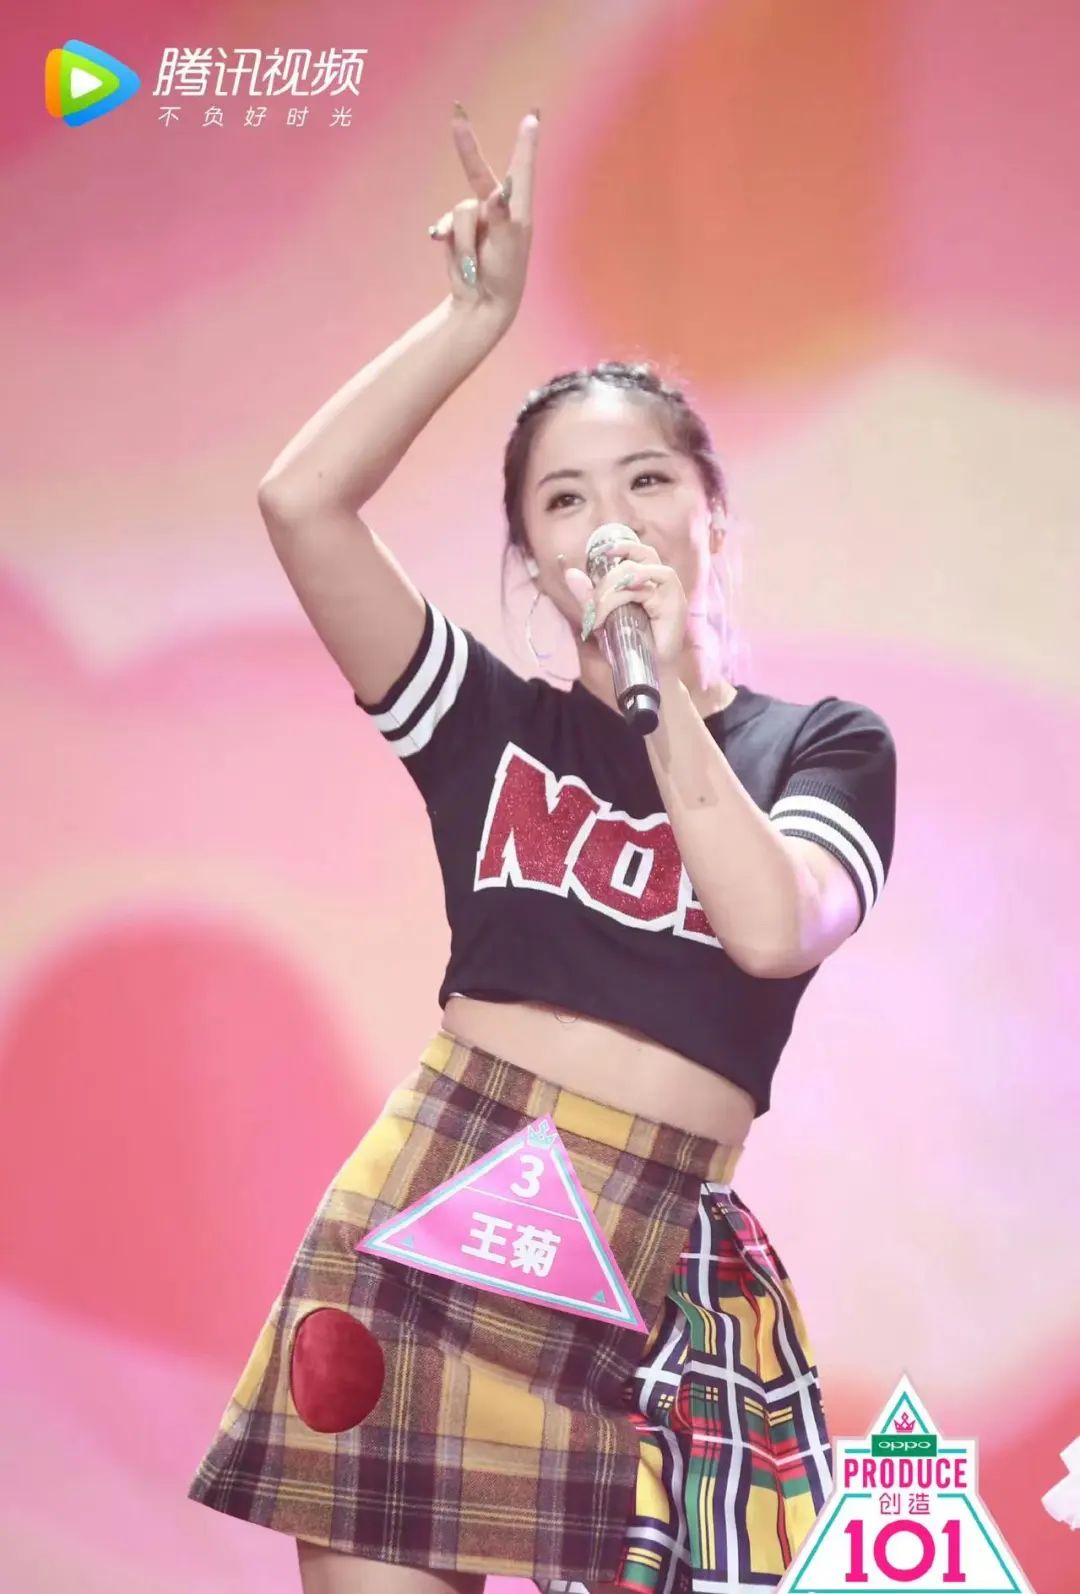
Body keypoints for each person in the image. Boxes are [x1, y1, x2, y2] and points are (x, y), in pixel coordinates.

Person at [187, 105, 897, 1594]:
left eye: (646, 480)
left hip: (655, 1269)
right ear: (531, 556)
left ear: (711, 511)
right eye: (563, 501)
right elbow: (300, 503)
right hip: (434, 1219)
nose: (609, 520)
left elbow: (773, 927)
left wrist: (664, 689)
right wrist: (472, 320)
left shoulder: (825, 748)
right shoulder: (486, 726)